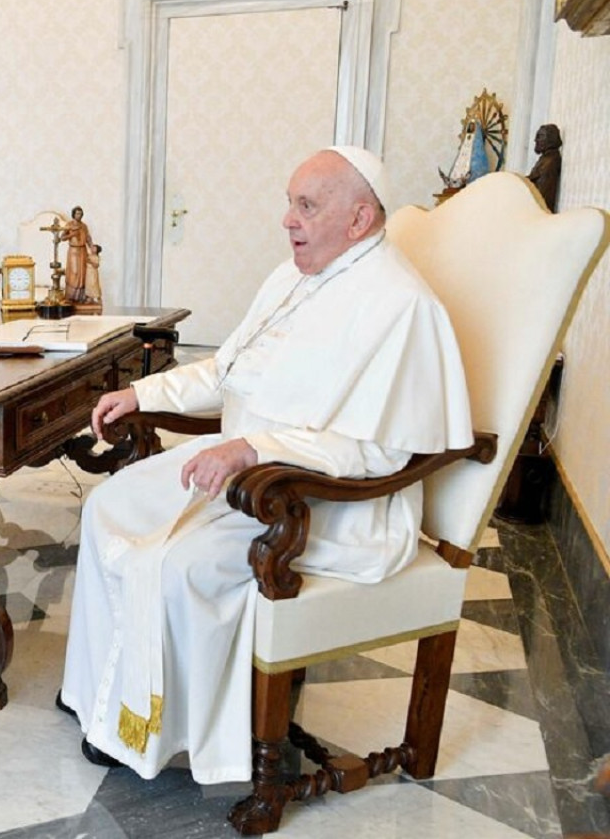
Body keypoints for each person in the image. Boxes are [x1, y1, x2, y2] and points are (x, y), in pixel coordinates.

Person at [59, 146, 473, 784]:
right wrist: (143, 395)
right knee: (107, 507)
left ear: (360, 219)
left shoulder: (401, 305)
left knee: (177, 563)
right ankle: (101, 692)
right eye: (290, 202)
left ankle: (164, 732)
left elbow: (383, 452)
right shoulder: (292, 278)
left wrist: (256, 451)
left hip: (331, 502)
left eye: (306, 206)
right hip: (246, 472)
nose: (287, 219)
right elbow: (226, 373)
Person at [527, 123, 562, 212]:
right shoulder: (544, 159)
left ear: (551, 139)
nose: (535, 140)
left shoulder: (550, 162)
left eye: (540, 136)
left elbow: (541, 196)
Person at [60, 206, 91, 303]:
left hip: (83, 251)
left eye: (81, 213)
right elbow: (62, 237)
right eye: (77, 213)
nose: (79, 215)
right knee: (74, 272)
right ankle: (71, 296)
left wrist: (92, 247)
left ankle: (80, 296)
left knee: (83, 273)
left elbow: (88, 238)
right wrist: (72, 235)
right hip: (73, 251)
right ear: (73, 214)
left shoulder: (84, 226)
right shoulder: (69, 225)